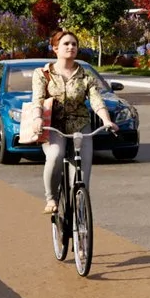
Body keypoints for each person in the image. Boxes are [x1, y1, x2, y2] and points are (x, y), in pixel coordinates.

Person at [28, 31, 117, 219]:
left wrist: (106, 120)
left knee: (81, 179)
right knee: (55, 155)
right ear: (55, 49)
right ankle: (51, 199)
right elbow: (38, 99)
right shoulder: (43, 74)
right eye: (66, 44)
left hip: (80, 126)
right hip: (53, 125)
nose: (71, 47)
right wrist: (37, 118)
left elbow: (96, 101)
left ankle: (80, 222)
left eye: (74, 44)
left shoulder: (86, 76)